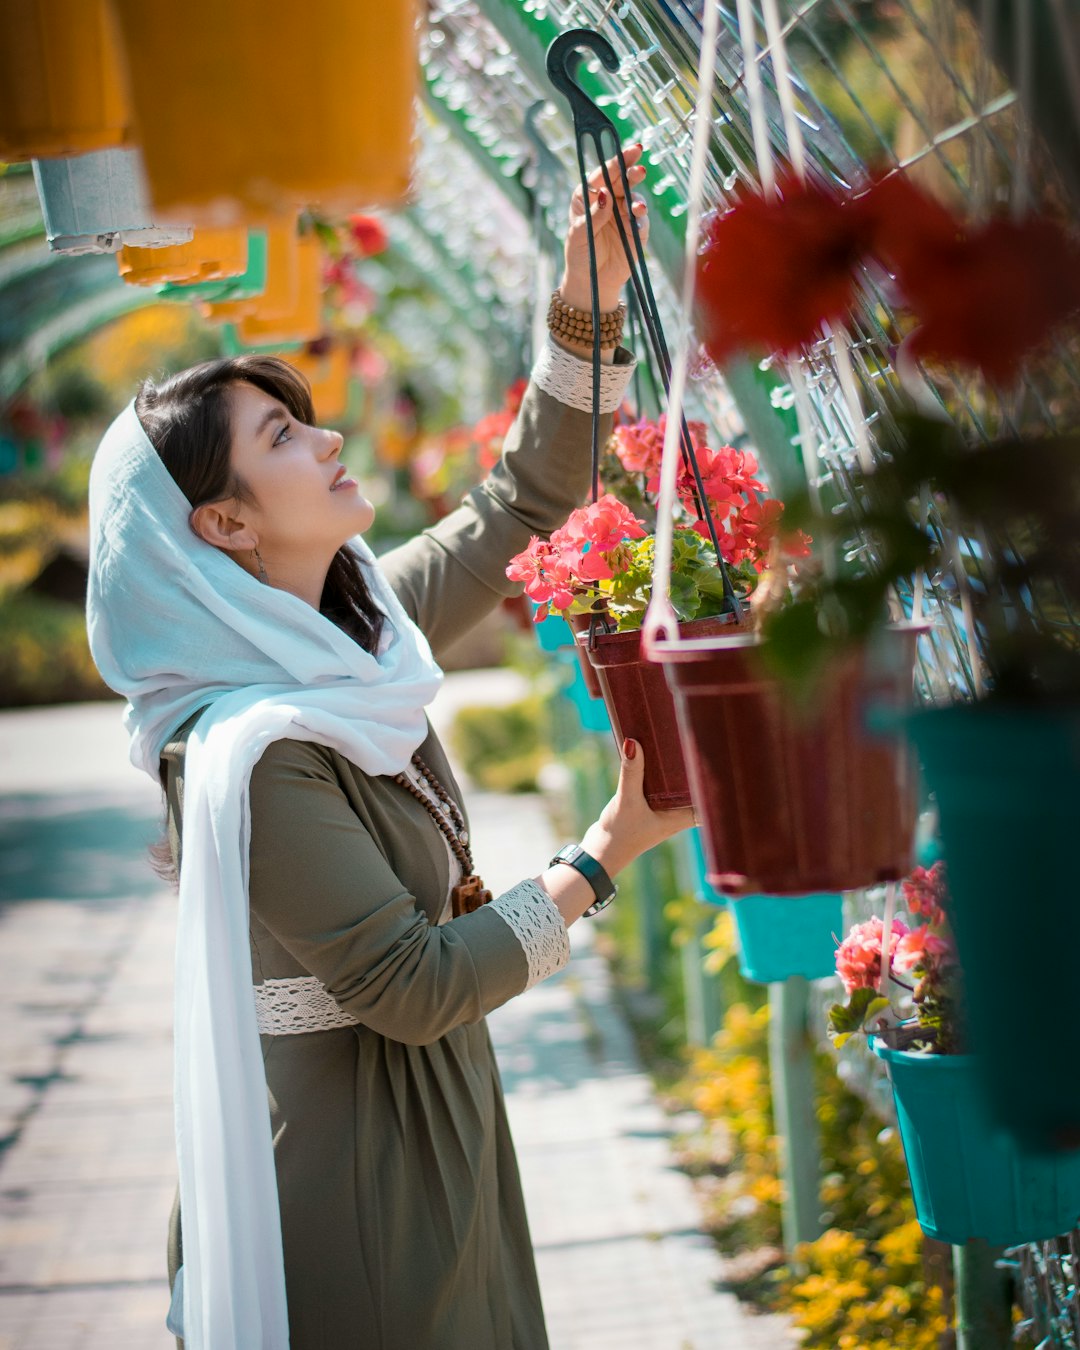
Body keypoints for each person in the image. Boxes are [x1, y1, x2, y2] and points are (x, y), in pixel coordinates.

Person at [86, 145, 692, 1350]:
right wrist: (601, 856)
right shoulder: (253, 752)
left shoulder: (354, 639)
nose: (326, 441)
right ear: (226, 523)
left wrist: (587, 293)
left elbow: (526, 501)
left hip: (437, 1117)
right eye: (282, 439)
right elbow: (411, 988)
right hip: (351, 1163)